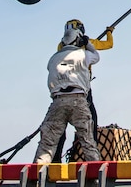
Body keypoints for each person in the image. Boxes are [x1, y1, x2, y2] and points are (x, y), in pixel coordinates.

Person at [33, 27, 101, 163]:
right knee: (88, 142)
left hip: (57, 102)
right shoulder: (84, 54)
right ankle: (95, 177)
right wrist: (88, 44)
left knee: (47, 145)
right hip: (78, 101)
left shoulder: (53, 59)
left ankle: (36, 178)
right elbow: (96, 56)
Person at [51, 19, 113, 162]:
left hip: (61, 89)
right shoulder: (86, 44)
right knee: (91, 121)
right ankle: (92, 159)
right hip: (82, 89)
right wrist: (109, 32)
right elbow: (108, 45)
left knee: (59, 125)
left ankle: (55, 160)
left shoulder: (61, 46)